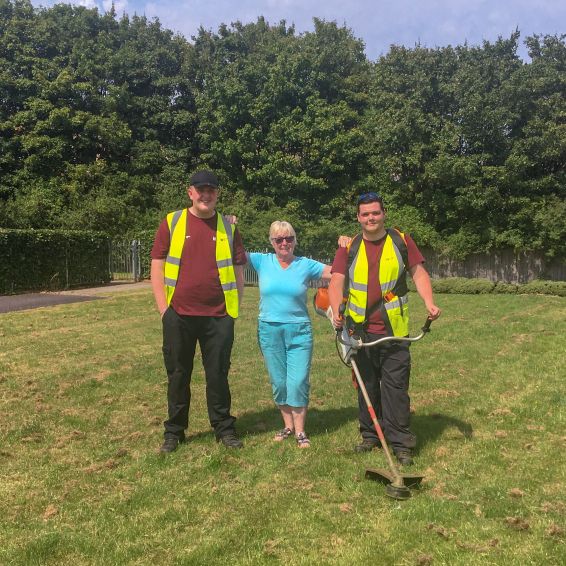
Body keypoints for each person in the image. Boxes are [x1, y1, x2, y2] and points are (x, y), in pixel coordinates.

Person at [328, 192, 441, 466]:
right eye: (365, 214)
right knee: (366, 386)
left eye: (375, 213)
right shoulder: (349, 247)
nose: (371, 218)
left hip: (394, 332)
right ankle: (370, 436)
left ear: (383, 214)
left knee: (396, 388)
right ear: (358, 217)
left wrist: (429, 302)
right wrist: (336, 311)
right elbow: (336, 280)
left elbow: (418, 273)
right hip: (359, 332)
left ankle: (401, 442)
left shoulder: (401, 241)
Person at [150, 170, 247, 453]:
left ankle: (224, 429)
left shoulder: (229, 228)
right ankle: (175, 432)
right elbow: (157, 264)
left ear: (217, 194)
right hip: (178, 314)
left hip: (219, 316)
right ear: (190, 192)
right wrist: (163, 309)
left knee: (218, 374)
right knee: (178, 374)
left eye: (211, 190)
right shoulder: (172, 221)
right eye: (201, 189)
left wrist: (232, 310)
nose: (206, 195)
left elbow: (239, 272)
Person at [247, 221, 332, 448]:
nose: (284, 243)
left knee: (298, 381)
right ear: (271, 243)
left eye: (289, 239)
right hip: (269, 329)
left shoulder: (305, 265)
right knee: (279, 381)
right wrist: (228, 229)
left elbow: (335, 272)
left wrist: (346, 248)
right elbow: (232, 253)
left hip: (299, 331)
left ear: (295, 240)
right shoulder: (261, 261)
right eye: (279, 239)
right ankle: (287, 426)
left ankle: (301, 431)